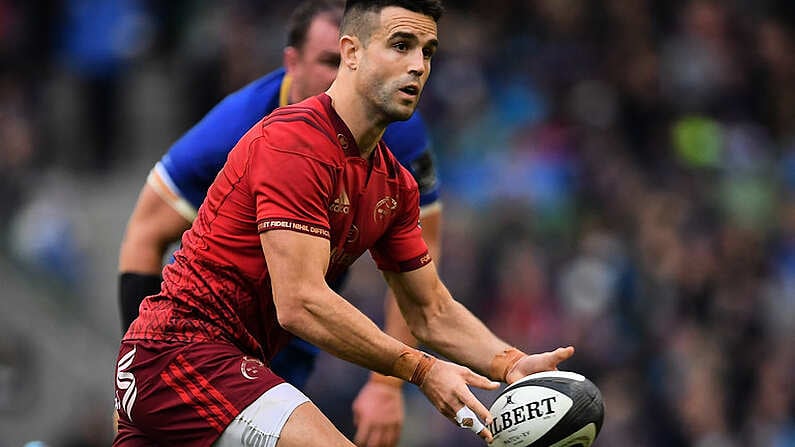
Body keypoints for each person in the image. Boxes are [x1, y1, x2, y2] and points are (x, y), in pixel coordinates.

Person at [113, 1, 575, 445]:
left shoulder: (396, 184)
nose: (418, 65)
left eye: (427, 51)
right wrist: (420, 370)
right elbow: (300, 302)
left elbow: (430, 310)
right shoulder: (294, 142)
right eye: (400, 45)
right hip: (180, 353)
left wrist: (509, 362)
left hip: (221, 366)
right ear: (351, 53)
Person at [117, 1, 440, 446]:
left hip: (281, 342)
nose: (338, 76)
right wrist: (142, 370)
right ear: (294, 62)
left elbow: (427, 286)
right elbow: (144, 233)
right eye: (328, 61)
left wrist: (390, 386)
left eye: (427, 53)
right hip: (199, 345)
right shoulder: (239, 128)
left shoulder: (396, 137)